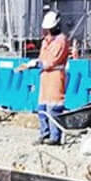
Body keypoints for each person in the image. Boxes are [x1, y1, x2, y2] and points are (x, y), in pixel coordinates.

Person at [28, 10, 69, 146]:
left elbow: (51, 61)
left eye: (48, 30)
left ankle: (55, 136)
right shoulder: (46, 41)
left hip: (56, 76)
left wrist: (37, 64)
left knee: (54, 107)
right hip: (45, 76)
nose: (46, 33)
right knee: (43, 107)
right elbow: (43, 58)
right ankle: (44, 133)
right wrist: (37, 62)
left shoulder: (60, 41)